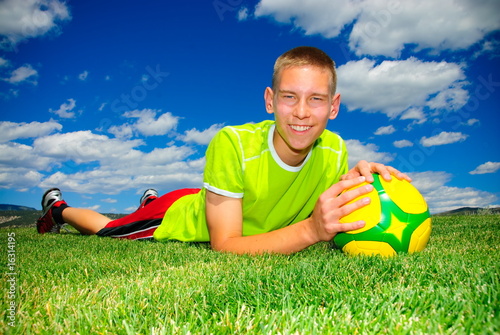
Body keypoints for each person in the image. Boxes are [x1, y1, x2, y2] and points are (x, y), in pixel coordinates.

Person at [36, 46, 410, 255]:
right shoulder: (232, 143)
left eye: (315, 99)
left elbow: (329, 204)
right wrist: (313, 230)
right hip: (185, 217)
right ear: (269, 100)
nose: (300, 112)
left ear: (334, 106)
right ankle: (59, 209)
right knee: (109, 229)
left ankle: (150, 198)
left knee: (152, 204)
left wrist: (361, 186)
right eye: (289, 97)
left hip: (214, 197)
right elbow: (226, 245)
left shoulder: (336, 149)